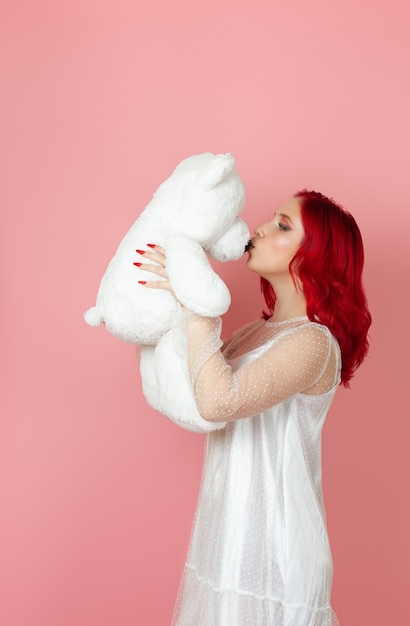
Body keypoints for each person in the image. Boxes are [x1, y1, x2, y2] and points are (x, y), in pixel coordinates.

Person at [136, 190, 371, 626]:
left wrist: (198, 302)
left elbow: (216, 402)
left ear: (317, 256)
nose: (259, 229)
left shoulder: (313, 342)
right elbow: (192, 393)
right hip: (228, 540)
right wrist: (158, 313)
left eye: (283, 226)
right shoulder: (251, 334)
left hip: (275, 557)